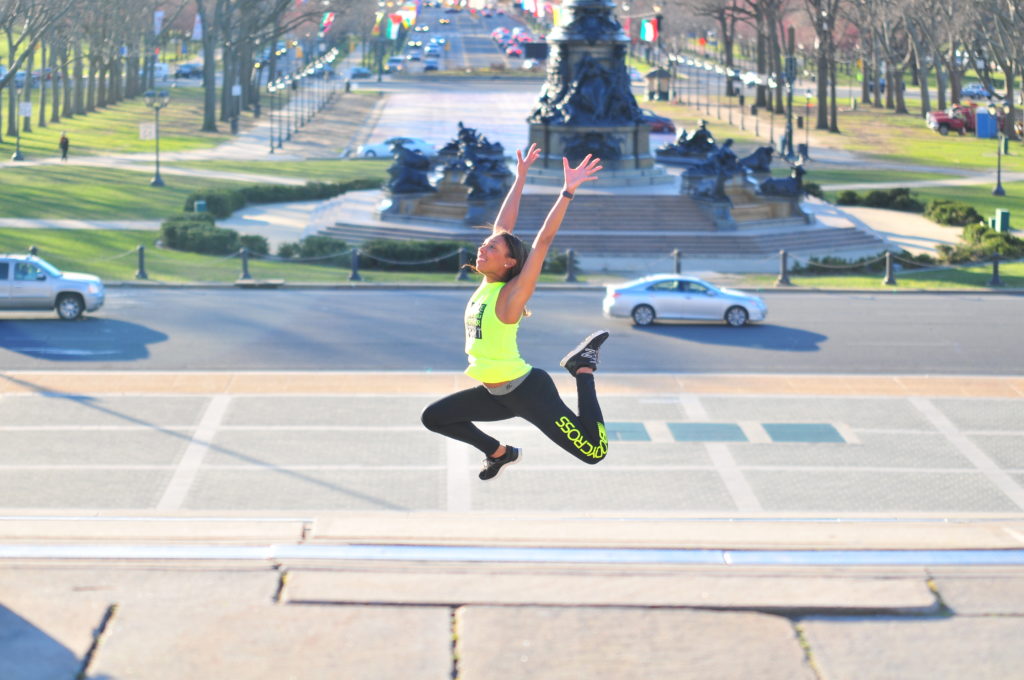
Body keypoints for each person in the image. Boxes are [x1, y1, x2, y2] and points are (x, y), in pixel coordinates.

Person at [421, 143, 611, 481]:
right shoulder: (488, 283)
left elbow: (542, 242)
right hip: (495, 394)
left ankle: (583, 367)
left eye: (491, 247)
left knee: (594, 452)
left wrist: (567, 191)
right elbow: (503, 226)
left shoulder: (511, 295)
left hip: (527, 392)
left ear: (509, 262)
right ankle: (500, 453)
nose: (483, 247)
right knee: (434, 418)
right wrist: (520, 177)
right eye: (484, 244)